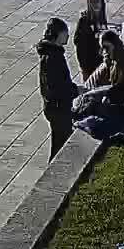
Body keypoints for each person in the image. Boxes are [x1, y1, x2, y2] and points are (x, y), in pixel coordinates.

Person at [37, 18, 78, 155]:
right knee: (60, 145)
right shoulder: (53, 57)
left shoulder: (52, 54)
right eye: (65, 33)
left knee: (59, 142)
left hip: (55, 107)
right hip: (58, 108)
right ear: (58, 34)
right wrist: (75, 90)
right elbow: (58, 87)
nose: (67, 36)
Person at [73, 0, 107, 81]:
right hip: (89, 67)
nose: (95, 4)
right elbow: (79, 46)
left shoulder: (101, 17)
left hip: (101, 64)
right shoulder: (84, 21)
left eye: (97, 1)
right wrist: (84, 69)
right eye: (92, 2)